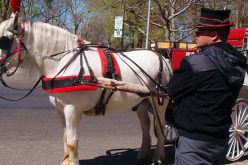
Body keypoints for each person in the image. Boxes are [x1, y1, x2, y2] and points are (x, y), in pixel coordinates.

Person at [168, 8, 247, 165]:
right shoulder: (239, 64)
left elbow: (172, 90)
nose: (195, 35)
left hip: (193, 143)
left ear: (214, 35)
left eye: (199, 32)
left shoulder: (196, 63)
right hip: (220, 141)